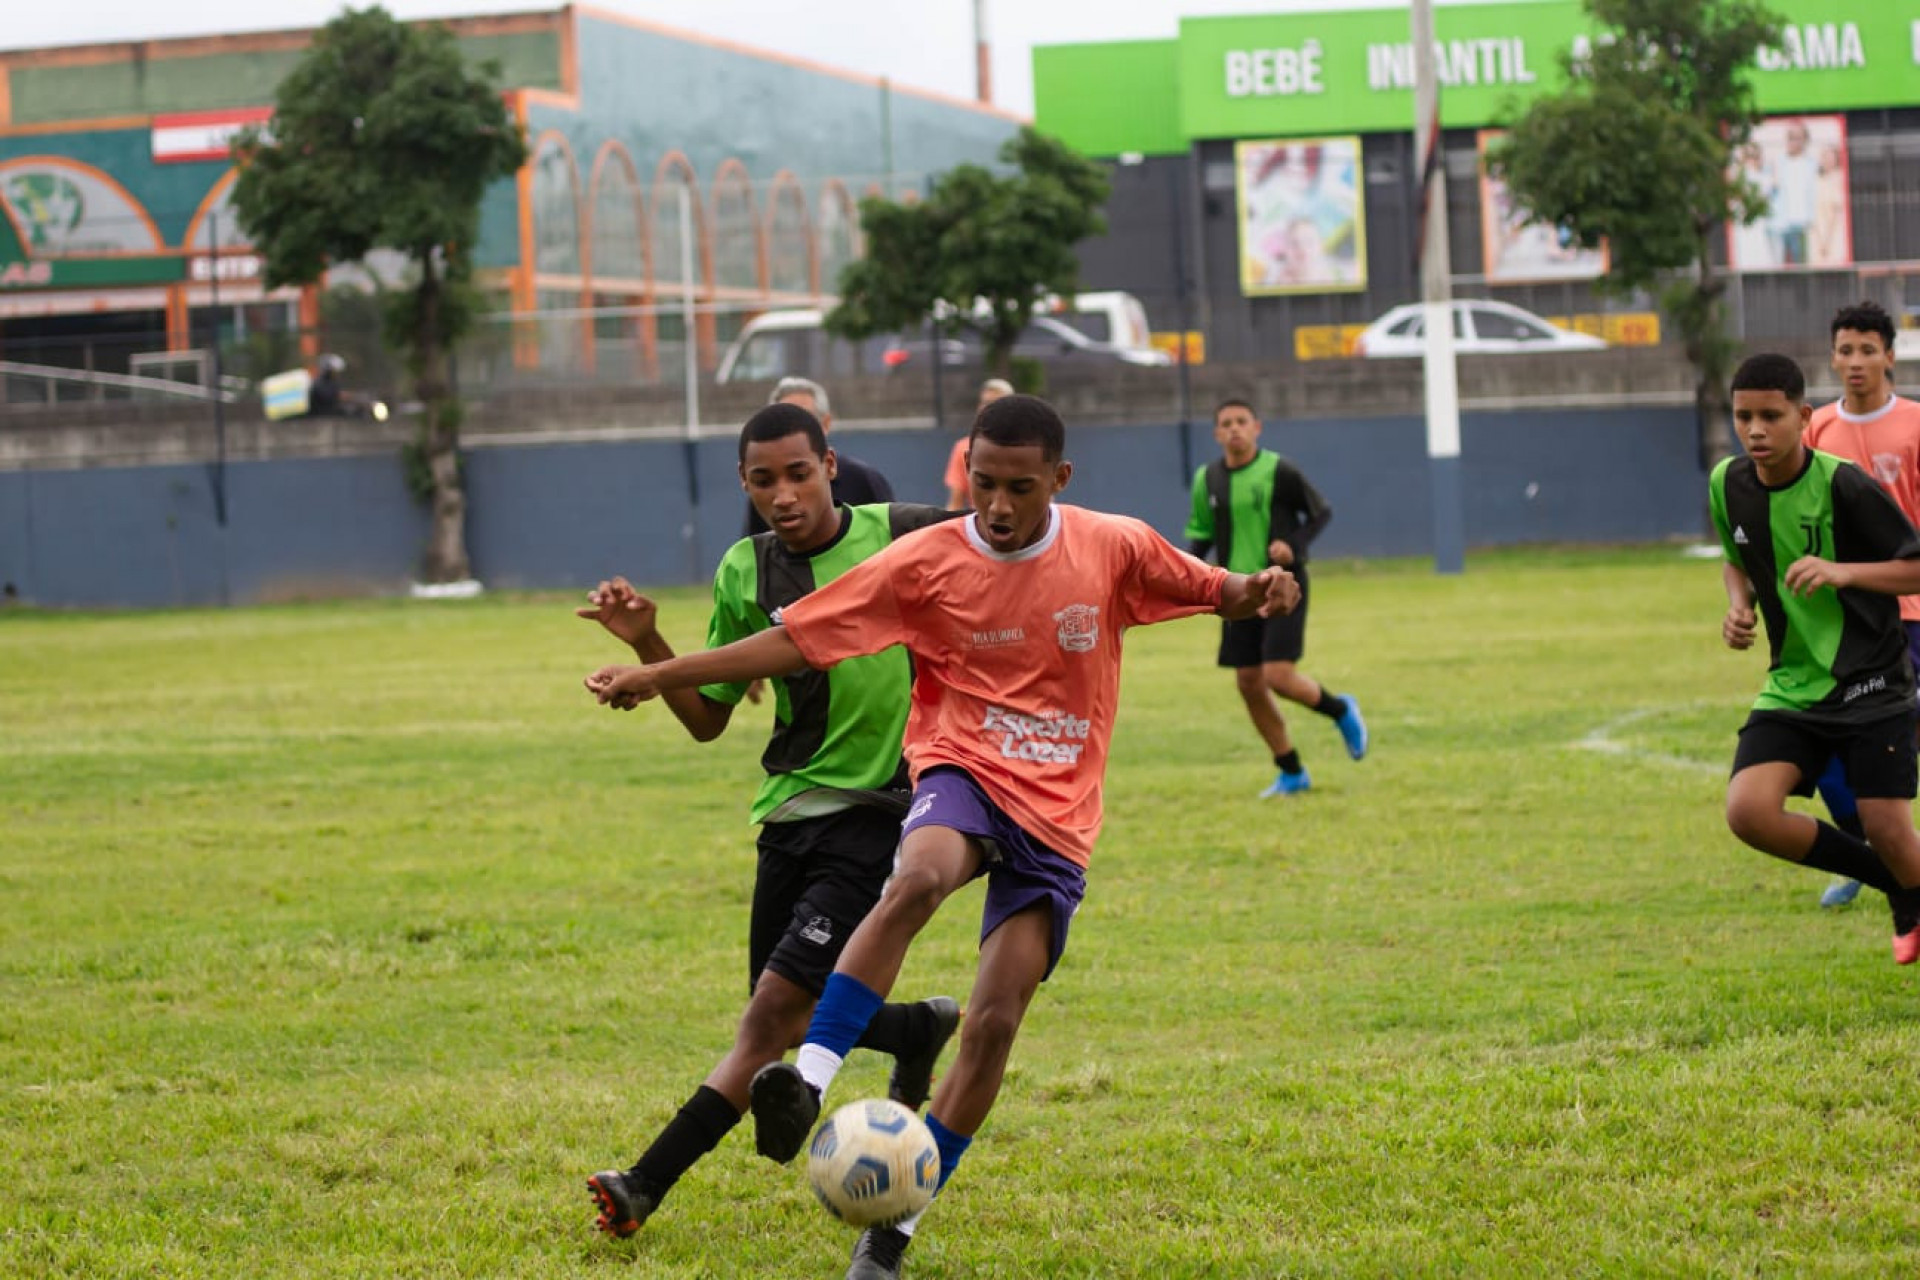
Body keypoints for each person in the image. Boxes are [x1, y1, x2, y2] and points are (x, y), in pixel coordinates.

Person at [586, 394, 1299, 1280]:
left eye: (1021, 489)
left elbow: (1214, 590)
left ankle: (892, 1234)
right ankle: (806, 1081)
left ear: (1059, 481)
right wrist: (656, 671)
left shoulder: (1111, 544)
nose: (998, 508)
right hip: (957, 767)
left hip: (1058, 816)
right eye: (984, 485)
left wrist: (1260, 589)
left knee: (995, 1023)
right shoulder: (924, 559)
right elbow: (792, 645)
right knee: (916, 877)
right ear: (966, 473)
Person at [580, 401, 961, 1241]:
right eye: (763, 480)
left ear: (830, 465)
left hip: (880, 810)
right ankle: (916, 1027)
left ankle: (643, 1184)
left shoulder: (904, 532)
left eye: (798, 472)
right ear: (744, 485)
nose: (783, 494)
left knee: (768, 1022)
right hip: (789, 814)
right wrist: (651, 645)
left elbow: (1012, 543)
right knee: (785, 1009)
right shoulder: (742, 571)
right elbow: (707, 717)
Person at [1711, 352, 1920, 966]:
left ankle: (1903, 882)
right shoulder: (1728, 483)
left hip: (1871, 681)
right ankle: (1898, 888)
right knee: (1748, 811)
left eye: (1770, 416)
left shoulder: (1843, 484)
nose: (1755, 430)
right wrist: (1737, 606)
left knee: (1888, 828)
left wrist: (1842, 570)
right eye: (1743, 416)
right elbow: (1735, 556)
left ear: (1802, 416)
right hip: (1794, 686)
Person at [1184, 397, 1367, 796]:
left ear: (1257, 428)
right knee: (1249, 682)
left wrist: (1293, 544)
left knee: (1277, 675)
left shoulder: (1279, 470)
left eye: (1242, 421)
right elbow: (1201, 535)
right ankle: (1291, 771)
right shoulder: (1208, 479)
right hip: (1235, 591)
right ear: (1216, 433)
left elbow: (1320, 512)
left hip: (1283, 585)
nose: (1234, 428)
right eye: (1226, 423)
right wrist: (1180, 576)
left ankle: (1340, 710)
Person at [1801, 301, 1920, 908]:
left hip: (1912, 613)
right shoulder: (1817, 428)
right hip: (1844, 624)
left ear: (1889, 356)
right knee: (1825, 748)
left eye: (1867, 350)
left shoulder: (1916, 424)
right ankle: (1867, 850)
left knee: (1893, 743)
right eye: (1844, 350)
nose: (1854, 362)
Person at [743, 377, 893, 536]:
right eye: (783, 423)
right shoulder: (763, 494)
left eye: (800, 476)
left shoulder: (863, 480)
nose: (784, 499)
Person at [943, 378, 1012, 510]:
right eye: (985, 402)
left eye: (997, 403)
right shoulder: (963, 448)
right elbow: (955, 503)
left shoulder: (1029, 448)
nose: (989, 408)